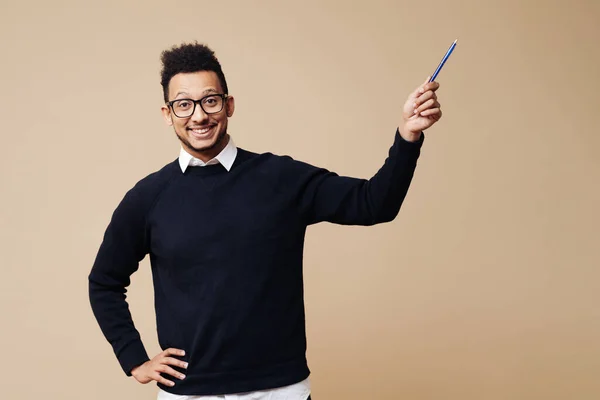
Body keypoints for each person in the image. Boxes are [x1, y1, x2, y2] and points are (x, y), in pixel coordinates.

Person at [88, 41, 443, 400]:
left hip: (279, 391)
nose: (198, 116)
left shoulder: (280, 178)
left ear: (229, 104)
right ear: (168, 113)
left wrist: (408, 136)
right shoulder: (148, 197)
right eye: (184, 105)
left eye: (210, 100)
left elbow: (373, 204)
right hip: (188, 394)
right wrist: (135, 359)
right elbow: (104, 282)